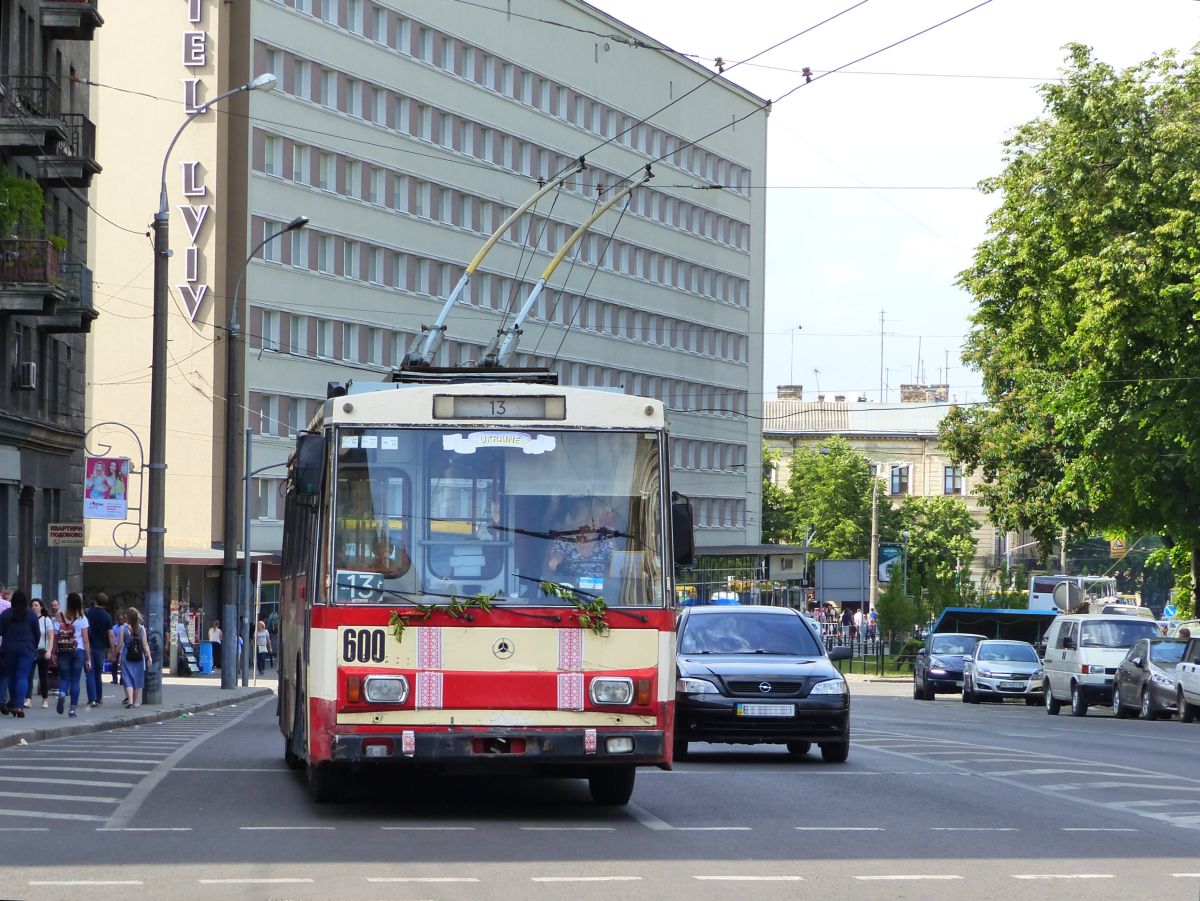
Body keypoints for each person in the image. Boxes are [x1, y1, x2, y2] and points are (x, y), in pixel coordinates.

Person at [545, 498, 615, 588]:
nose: (591, 525)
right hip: (571, 593)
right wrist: (554, 561)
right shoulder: (565, 540)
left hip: (600, 593)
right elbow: (556, 556)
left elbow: (615, 560)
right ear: (575, 522)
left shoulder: (604, 540)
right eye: (585, 520)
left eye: (594, 520)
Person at [51, 592, 90, 718]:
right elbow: (85, 640)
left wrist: (53, 652)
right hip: (78, 651)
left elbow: (56, 637)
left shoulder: (59, 616)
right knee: (75, 680)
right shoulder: (82, 618)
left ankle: (62, 693)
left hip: (63, 651)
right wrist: (88, 657)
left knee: (64, 678)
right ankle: (72, 709)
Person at [0, 590, 38, 718]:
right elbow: (36, 633)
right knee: (23, 676)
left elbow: (1, 631)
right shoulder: (31, 615)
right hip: (27, 648)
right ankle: (19, 706)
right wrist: (34, 647)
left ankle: (13, 703)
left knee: (11, 676)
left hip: (9, 648)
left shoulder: (5, 614)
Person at [119, 606, 152, 708]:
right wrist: (149, 656)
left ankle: (130, 701)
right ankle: (135, 702)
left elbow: (120, 644)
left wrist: (114, 653)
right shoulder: (142, 629)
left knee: (127, 678)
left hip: (126, 656)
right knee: (137, 679)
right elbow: (145, 644)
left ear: (127, 617)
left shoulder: (123, 629)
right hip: (138, 656)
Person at [84, 593, 113, 707]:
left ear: (95, 601)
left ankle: (92, 699)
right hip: (101, 648)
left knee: (89, 672)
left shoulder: (87, 612)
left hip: (88, 647)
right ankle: (99, 698)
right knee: (98, 673)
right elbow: (110, 635)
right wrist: (112, 650)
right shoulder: (107, 616)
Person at [26, 599, 54, 709]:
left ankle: (45, 699)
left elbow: (51, 637)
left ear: (41, 607)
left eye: (36, 605)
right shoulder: (28, 619)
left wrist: (49, 651)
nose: (34, 607)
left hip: (43, 650)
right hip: (32, 650)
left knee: (43, 676)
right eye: (32, 605)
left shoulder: (46, 620)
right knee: (29, 675)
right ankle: (28, 699)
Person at [110, 613, 125, 685]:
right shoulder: (114, 628)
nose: (120, 621)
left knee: (123, 664)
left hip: (123, 647)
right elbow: (112, 638)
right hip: (116, 646)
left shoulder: (125, 627)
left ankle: (122, 679)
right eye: (119, 619)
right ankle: (114, 679)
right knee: (114, 663)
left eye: (122, 619)